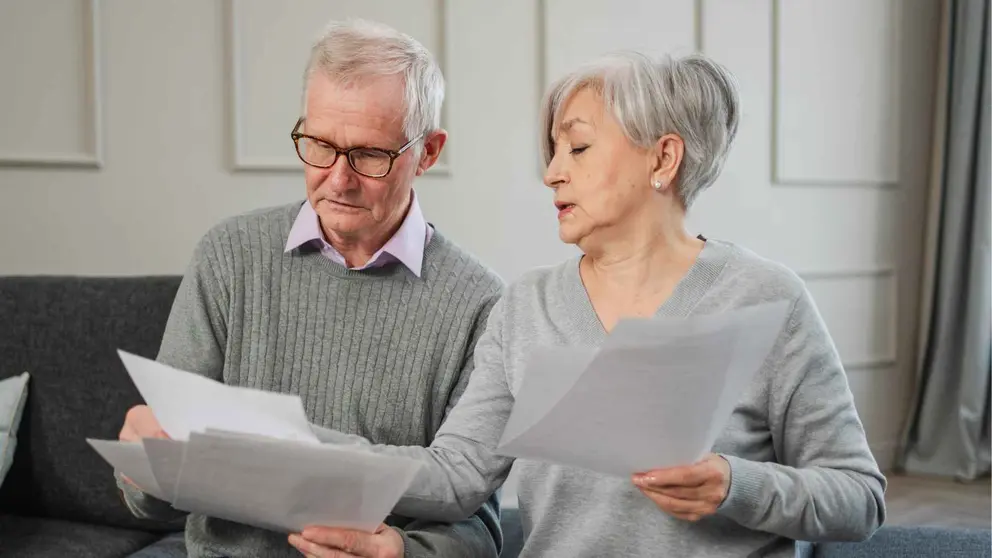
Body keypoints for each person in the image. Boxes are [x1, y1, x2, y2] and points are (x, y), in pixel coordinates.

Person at [288, 51, 887, 558]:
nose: (551, 173)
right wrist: (298, 448)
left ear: (662, 158)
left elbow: (859, 498)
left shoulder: (766, 297)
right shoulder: (527, 306)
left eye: (577, 148)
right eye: (552, 151)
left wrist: (737, 485)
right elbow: (457, 475)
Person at [114, 19, 505, 558]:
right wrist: (144, 471)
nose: (338, 179)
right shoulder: (230, 256)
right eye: (319, 144)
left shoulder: (480, 303)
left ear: (428, 152)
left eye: (369, 155)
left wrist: (407, 552)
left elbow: (479, 517)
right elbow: (151, 499)